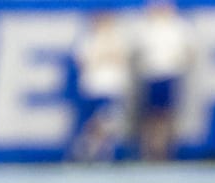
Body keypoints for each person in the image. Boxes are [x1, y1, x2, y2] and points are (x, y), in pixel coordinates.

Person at [133, 0, 193, 161]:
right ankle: (149, 150)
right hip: (151, 75)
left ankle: (166, 150)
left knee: (168, 114)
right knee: (150, 115)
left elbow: (190, 52)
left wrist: (180, 63)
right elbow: (136, 53)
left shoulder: (179, 26)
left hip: (170, 74)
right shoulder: (145, 27)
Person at [69, 11, 133, 163]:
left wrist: (102, 57)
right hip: (92, 88)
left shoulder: (119, 39)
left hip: (112, 89)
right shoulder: (87, 40)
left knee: (108, 122)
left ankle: (103, 152)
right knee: (90, 123)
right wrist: (105, 57)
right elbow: (82, 62)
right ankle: (85, 152)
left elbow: (122, 60)